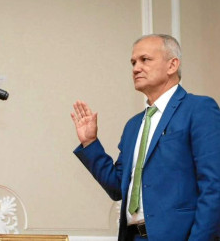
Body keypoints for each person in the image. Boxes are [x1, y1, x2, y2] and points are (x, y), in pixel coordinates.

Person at [71, 34, 220, 240]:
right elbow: (118, 188)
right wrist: (90, 143)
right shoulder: (133, 125)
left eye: (145, 60)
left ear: (172, 65)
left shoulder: (199, 109)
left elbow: (214, 185)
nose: (136, 68)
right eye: (133, 62)